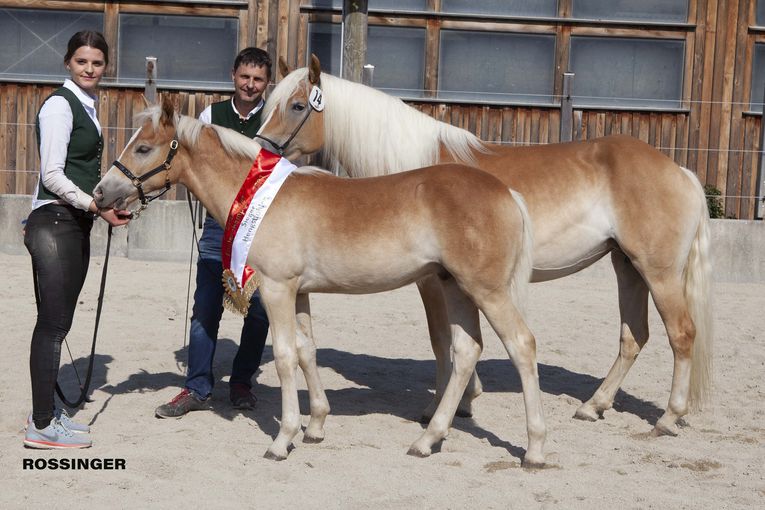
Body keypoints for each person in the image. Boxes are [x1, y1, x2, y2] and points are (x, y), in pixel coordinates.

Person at [23, 30, 132, 449]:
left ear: (106, 67)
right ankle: (41, 426)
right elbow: (51, 174)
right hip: (57, 221)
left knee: (58, 322)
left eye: (98, 63)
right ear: (68, 62)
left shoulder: (87, 104)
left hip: (70, 222)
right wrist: (96, 206)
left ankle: (46, 416)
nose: (90, 69)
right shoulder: (59, 105)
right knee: (52, 325)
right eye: (82, 61)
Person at [155, 47, 272, 418]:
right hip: (216, 227)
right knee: (205, 308)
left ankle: (240, 382)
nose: (250, 85)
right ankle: (197, 387)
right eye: (245, 77)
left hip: (261, 231)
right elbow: (195, 163)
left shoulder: (275, 119)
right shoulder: (210, 115)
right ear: (233, 75)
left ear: (266, 83)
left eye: (258, 79)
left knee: (260, 312)